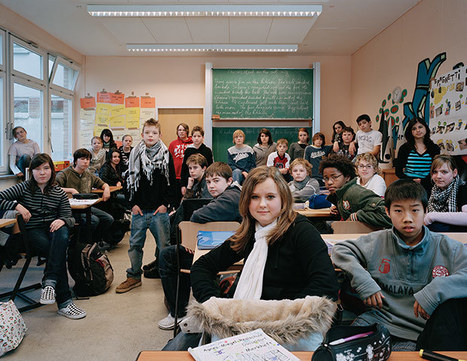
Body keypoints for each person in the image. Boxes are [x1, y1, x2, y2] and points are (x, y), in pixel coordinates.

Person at [163, 166, 339, 350]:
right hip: (238, 323)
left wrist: (278, 316)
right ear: (246, 201)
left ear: (283, 199)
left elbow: (326, 285)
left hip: (285, 330)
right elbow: (202, 266)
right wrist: (214, 304)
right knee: (171, 351)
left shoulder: (302, 231)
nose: (262, 204)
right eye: (255, 197)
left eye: (270, 197)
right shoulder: (249, 232)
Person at [332, 179, 467, 351]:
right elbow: (341, 250)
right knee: (337, 350)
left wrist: (438, 288)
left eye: (415, 210)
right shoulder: (378, 240)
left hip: (421, 330)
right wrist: (363, 280)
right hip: (378, 322)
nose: (407, 218)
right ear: (387, 212)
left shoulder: (446, 247)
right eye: (398, 210)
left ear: (426, 211)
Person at [0, 153, 86, 319]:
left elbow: (69, 217)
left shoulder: (59, 193)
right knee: (56, 251)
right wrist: (17, 205)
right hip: (32, 233)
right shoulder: (23, 187)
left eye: (46, 168)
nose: (42, 173)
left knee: (60, 233)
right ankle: (64, 302)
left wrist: (62, 220)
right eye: (37, 169)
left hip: (53, 232)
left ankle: (50, 283)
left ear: (52, 171)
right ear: (31, 172)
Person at [158, 162, 241, 330]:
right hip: (219, 249)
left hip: (228, 256)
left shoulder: (230, 197)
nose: (211, 186)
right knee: (171, 254)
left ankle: (178, 312)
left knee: (168, 257)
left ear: (229, 181)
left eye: (216, 181)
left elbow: (198, 215)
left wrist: (190, 239)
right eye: (209, 182)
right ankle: (180, 308)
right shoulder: (229, 195)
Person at [116, 118, 176, 293]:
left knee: (164, 246)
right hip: (139, 211)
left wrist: (165, 204)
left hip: (160, 211)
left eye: (154, 133)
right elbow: (127, 181)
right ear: (142, 135)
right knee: (135, 245)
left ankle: (167, 276)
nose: (151, 136)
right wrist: (132, 204)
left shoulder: (166, 154)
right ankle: (134, 276)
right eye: (147, 132)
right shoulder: (135, 154)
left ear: (160, 135)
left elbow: (171, 181)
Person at [56, 148, 114, 246]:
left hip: (87, 206)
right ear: (75, 161)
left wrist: (107, 189)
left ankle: (93, 242)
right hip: (71, 209)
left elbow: (102, 184)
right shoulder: (64, 174)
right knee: (93, 221)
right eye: (82, 159)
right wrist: (70, 190)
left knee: (108, 219)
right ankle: (79, 244)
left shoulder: (88, 174)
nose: (86, 162)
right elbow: (53, 188)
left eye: (87, 159)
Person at [320, 154, 392, 229]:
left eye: (334, 177)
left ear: (347, 177)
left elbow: (388, 214)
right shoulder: (341, 194)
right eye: (326, 178)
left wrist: (356, 216)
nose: (329, 182)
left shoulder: (354, 192)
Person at [395, 117, 440, 196]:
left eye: (420, 127)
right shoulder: (404, 148)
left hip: (429, 185)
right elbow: (398, 171)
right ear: (410, 132)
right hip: (408, 186)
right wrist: (411, 180)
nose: (418, 130)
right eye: (414, 128)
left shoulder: (434, 148)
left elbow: (436, 170)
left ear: (426, 128)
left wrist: (422, 181)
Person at [425, 154, 467, 232]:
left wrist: (433, 216)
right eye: (435, 172)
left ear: (454, 173)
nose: (438, 176)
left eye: (444, 172)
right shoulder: (431, 190)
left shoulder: (463, 188)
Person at [180, 126, 213, 196]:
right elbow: (184, 168)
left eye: (199, 136)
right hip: (190, 180)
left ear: (203, 138)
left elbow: (210, 167)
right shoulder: (188, 150)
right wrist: (183, 184)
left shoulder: (207, 150)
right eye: (194, 136)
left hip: (203, 180)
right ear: (191, 138)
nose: (196, 138)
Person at [169, 123, 193, 207]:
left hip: (188, 175)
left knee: (188, 198)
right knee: (176, 199)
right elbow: (169, 159)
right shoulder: (173, 144)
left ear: (187, 131)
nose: (181, 132)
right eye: (179, 130)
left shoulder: (192, 143)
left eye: (183, 130)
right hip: (176, 175)